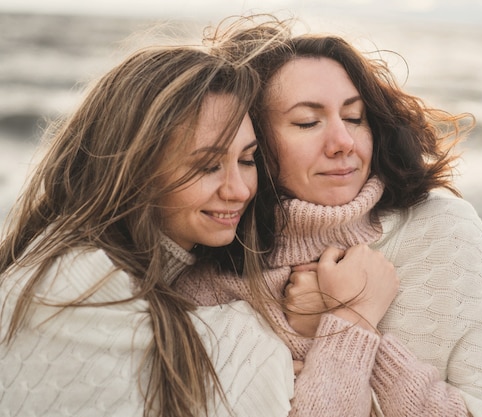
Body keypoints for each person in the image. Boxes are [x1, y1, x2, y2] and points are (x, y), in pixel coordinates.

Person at [176, 15, 482, 417]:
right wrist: (351, 318)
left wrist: (333, 323)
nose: (343, 142)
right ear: (251, 141)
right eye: (307, 122)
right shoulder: (210, 270)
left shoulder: (440, 229)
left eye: (353, 117)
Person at [0, 45, 294, 417]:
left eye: (247, 160)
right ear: (136, 167)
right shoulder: (77, 281)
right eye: (207, 166)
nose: (239, 189)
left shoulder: (149, 273)